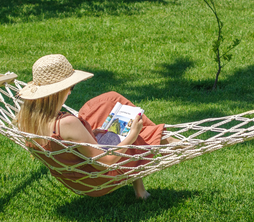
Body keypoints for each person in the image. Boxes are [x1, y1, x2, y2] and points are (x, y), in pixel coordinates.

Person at [12, 53, 166, 199]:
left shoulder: (27, 120)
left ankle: (141, 189)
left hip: (75, 175)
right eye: (70, 88)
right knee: (137, 134)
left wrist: (89, 132)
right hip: (96, 178)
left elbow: (63, 146)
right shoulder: (66, 123)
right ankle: (168, 141)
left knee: (109, 100)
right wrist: (132, 135)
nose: (70, 93)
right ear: (58, 92)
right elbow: (104, 163)